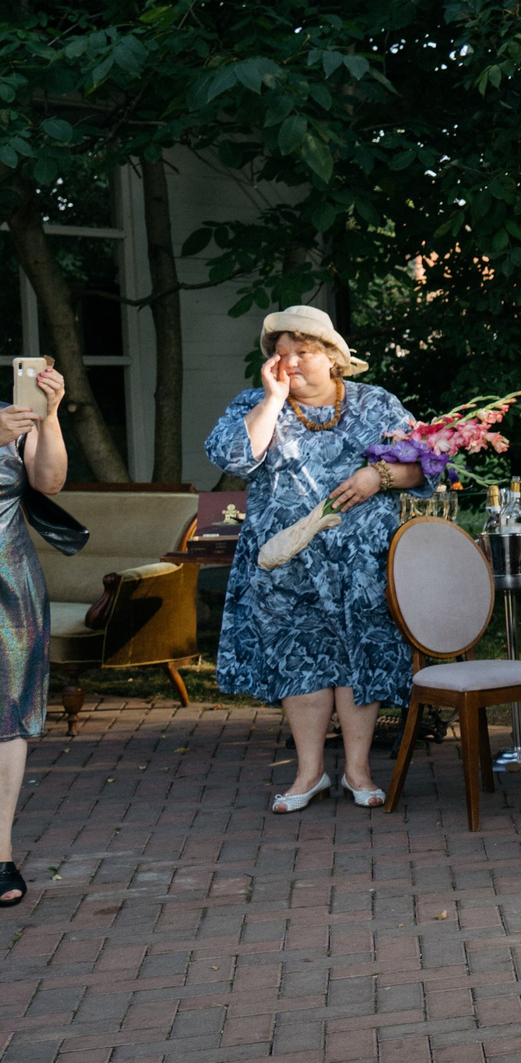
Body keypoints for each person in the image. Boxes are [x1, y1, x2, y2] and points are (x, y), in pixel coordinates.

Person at [207, 309, 431, 814]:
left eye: (300, 352)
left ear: (332, 358)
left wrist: (380, 478)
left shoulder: (377, 404)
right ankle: (309, 773)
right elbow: (234, 457)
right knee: (298, 657)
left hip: (362, 563)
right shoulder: (256, 404)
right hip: (288, 563)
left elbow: (425, 466)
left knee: (358, 656)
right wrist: (272, 400)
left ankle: (357, 770)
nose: (287, 363)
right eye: (278, 354)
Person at [0, 358, 67, 907]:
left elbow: (50, 482)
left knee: (8, 714)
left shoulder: (12, 418)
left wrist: (49, 417)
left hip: (9, 582)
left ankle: (0, 855)